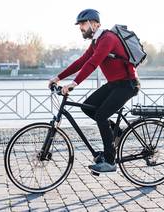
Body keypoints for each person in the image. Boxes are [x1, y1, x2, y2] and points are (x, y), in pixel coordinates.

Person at [49, 9, 140, 173]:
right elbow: (82, 61)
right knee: (87, 106)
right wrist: (58, 77)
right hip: (114, 84)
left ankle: (110, 161)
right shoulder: (96, 42)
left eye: (83, 24)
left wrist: (73, 84)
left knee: (101, 115)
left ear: (95, 24)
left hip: (127, 85)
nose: (81, 28)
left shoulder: (108, 39)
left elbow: (93, 64)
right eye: (80, 25)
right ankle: (117, 133)